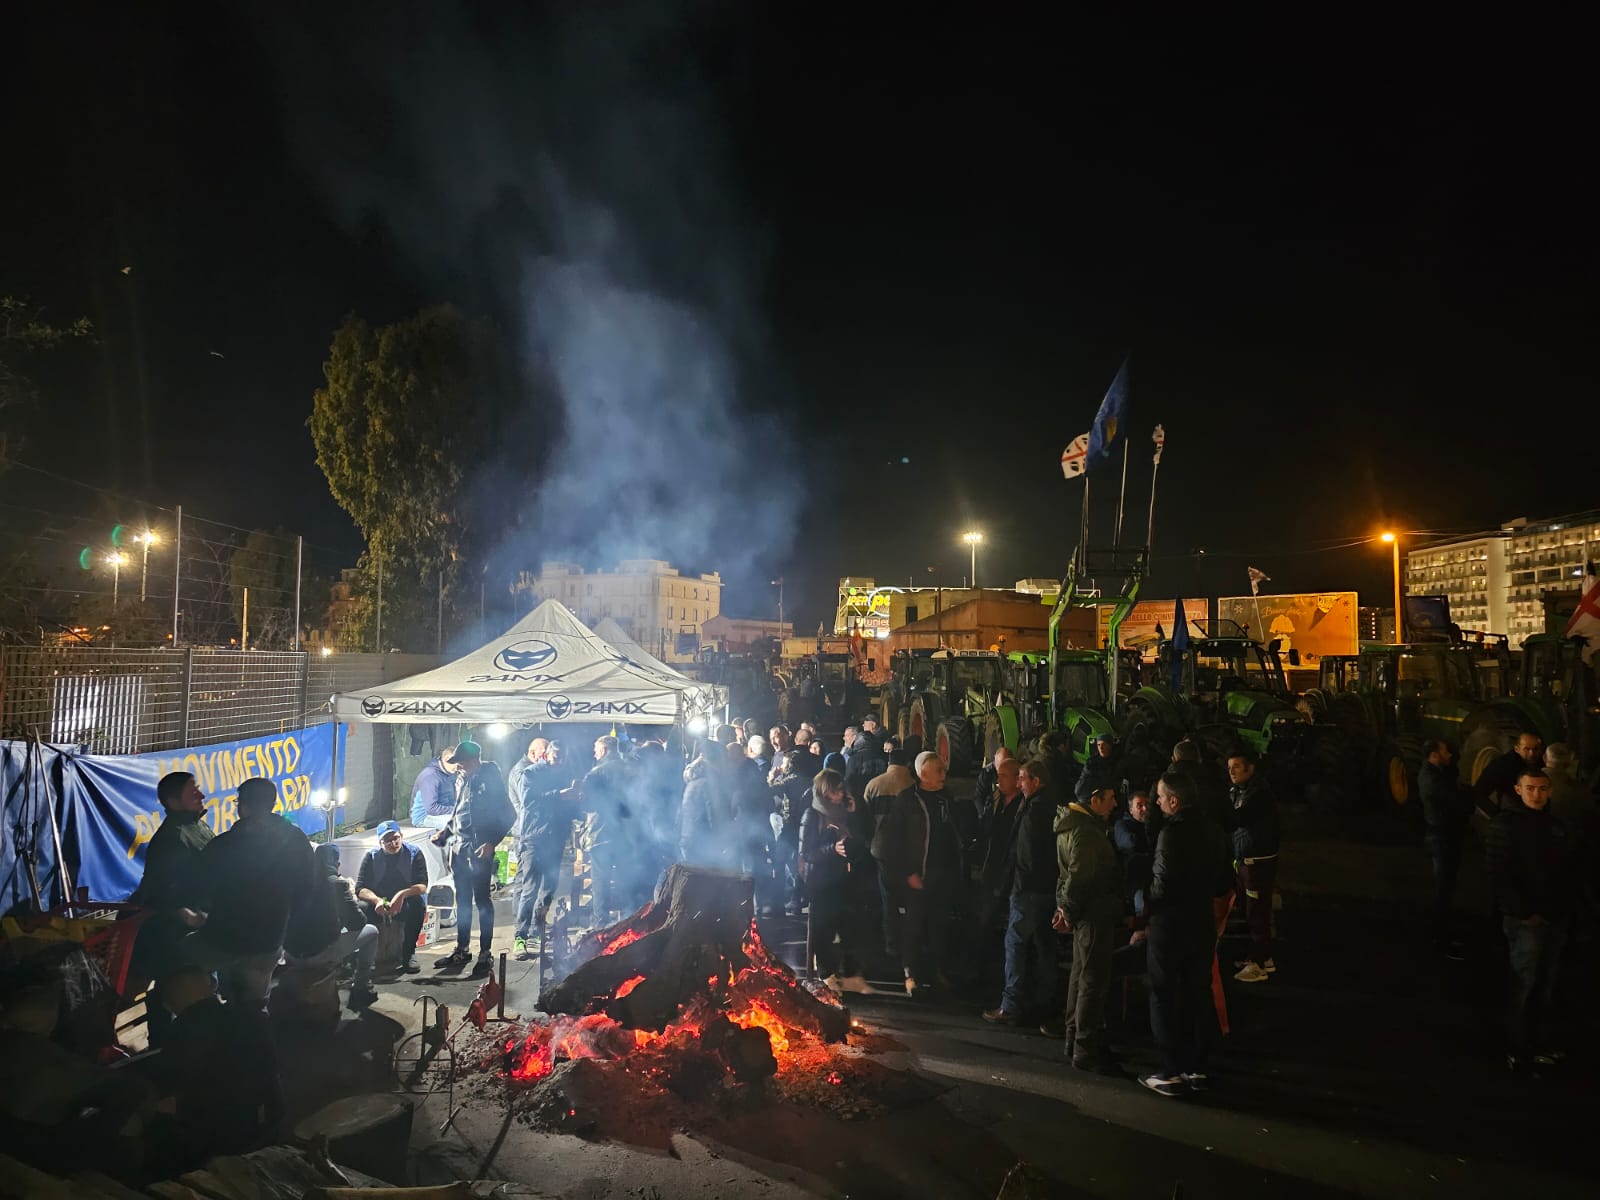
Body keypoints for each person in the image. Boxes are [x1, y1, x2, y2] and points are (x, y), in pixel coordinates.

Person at [1141, 770, 1235, 1098]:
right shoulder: (1214, 831)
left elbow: (1161, 885)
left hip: (1170, 925)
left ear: (1174, 801)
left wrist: (1144, 906)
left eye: (1160, 797)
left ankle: (1170, 1070)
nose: (1157, 802)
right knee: (1199, 992)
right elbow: (1224, 881)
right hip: (1201, 922)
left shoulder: (1171, 834)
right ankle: (1198, 1067)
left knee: (1163, 993)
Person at [186, 777, 319, 1008]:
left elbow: (199, 887)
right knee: (255, 1003)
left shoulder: (225, 844)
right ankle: (251, 1025)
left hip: (223, 938)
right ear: (273, 804)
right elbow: (307, 888)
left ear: (243, 806)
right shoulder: (296, 840)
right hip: (269, 939)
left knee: (176, 965)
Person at [1484, 766, 1578, 1073]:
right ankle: (1517, 1047)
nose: (1537, 794)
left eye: (1542, 789)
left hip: (1554, 918)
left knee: (1545, 985)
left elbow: (1567, 871)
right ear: (1518, 790)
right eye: (1530, 788)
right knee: (1523, 984)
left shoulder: (1556, 826)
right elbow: (1498, 874)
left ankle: (1538, 1044)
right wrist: (1525, 913)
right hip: (1526, 922)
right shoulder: (1505, 825)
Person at [128, 771, 213, 1045]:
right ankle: (164, 1046)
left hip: (200, 924)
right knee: (172, 987)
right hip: (173, 933)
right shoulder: (171, 839)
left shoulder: (197, 827)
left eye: (198, 790)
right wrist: (183, 913)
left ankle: (196, 1041)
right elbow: (158, 888)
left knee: (196, 985)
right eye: (193, 792)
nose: (201, 795)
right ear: (173, 802)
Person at [872, 751, 960, 997]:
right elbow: (893, 841)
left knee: (938, 926)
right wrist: (908, 873)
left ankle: (937, 971)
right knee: (913, 927)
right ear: (923, 774)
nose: (944, 774)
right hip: (917, 876)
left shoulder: (945, 798)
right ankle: (910, 975)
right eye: (938, 770)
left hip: (941, 875)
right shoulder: (907, 800)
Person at [1053, 781, 1123, 1070]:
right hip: (1094, 913)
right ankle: (1085, 1047)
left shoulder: (1072, 825)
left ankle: (1073, 1039)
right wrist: (1067, 910)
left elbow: (1067, 875)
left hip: (1084, 912)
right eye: (1111, 797)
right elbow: (1079, 875)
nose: (1115, 804)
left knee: (1079, 975)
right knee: (1092, 980)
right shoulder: (1086, 831)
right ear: (1095, 799)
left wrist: (1064, 908)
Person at [984, 758, 1059, 1027]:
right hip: (1048, 889)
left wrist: (1015, 887)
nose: (1018, 783)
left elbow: (1025, 856)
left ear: (1036, 782)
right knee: (1045, 946)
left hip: (1028, 891)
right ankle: (1046, 1003)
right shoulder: (1051, 807)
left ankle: (1011, 1005)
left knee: (1015, 944)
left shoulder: (1033, 812)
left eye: (1022, 778)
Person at [433, 742, 515, 976]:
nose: (458, 766)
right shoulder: (463, 779)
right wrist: (446, 833)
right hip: (459, 849)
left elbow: (509, 814)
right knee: (463, 901)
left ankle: (485, 953)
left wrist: (491, 842)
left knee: (482, 901)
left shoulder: (490, 780)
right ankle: (462, 949)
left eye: (462, 762)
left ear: (475, 760)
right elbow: (458, 813)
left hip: (479, 851)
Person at [800, 767, 872, 992]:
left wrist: (855, 813)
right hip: (822, 881)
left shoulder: (845, 813)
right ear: (824, 792)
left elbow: (862, 838)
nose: (840, 794)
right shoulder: (813, 815)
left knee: (850, 925)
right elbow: (806, 852)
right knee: (824, 929)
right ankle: (826, 974)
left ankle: (850, 974)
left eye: (842, 790)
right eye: (835, 791)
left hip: (845, 879)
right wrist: (832, 849)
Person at [293, 843, 381, 1010]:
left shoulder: (297, 881)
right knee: (372, 932)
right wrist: (351, 903)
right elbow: (357, 923)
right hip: (317, 953)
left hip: (290, 952)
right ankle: (361, 986)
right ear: (337, 864)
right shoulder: (337, 884)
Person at [512, 740, 578, 958]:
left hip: (555, 840)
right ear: (547, 755)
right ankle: (520, 937)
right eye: (557, 757)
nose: (560, 761)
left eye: (563, 757)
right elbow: (529, 801)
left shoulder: (564, 775)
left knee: (549, 889)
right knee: (530, 888)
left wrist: (577, 800)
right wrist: (559, 794)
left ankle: (536, 931)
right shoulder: (531, 774)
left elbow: (567, 809)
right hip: (533, 838)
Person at [1226, 750, 1280, 982]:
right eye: (1229, 767)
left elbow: (1238, 818)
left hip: (1258, 861)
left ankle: (1260, 963)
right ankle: (1261, 957)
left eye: (1237, 766)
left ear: (1251, 768)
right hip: (1245, 859)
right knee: (1250, 908)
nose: (1231, 772)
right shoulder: (1239, 791)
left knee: (1257, 910)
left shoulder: (1259, 795)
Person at [1417, 739, 1469, 954]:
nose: (1450, 755)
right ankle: (1440, 937)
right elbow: (1456, 803)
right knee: (1443, 888)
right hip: (1442, 839)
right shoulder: (1433, 780)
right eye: (1446, 752)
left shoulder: (1434, 774)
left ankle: (1442, 930)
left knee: (1445, 887)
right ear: (1434, 755)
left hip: (1442, 837)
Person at [355, 820, 427, 973]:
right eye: (387, 840)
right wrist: (377, 901)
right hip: (380, 901)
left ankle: (408, 953)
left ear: (401, 836)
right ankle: (367, 957)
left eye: (395, 838)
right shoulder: (371, 857)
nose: (393, 843)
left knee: (418, 905)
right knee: (361, 908)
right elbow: (360, 888)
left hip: (404, 900)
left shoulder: (414, 853)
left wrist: (402, 895)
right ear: (380, 843)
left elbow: (422, 885)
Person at [582, 735, 633, 921]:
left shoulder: (596, 773)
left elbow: (586, 804)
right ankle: (628, 922)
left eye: (596, 750)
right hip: (626, 836)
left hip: (600, 835)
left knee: (600, 883)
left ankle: (601, 925)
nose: (594, 754)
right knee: (626, 882)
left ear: (603, 750)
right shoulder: (630, 770)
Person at [1474, 732, 1543, 814]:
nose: (1532, 753)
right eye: (1526, 749)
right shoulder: (1502, 765)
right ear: (1517, 749)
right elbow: (1478, 794)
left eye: (1536, 749)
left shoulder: (1542, 761)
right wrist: (1498, 816)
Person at [1113, 789, 1155, 917]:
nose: (1145, 809)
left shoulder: (1153, 825)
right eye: (1139, 805)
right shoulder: (1122, 826)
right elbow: (1131, 843)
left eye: (1147, 805)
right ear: (1131, 810)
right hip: (1136, 884)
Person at [410, 746, 458, 829]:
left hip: (442, 813)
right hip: (423, 817)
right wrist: (455, 809)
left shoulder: (448, 773)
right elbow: (431, 809)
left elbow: (451, 800)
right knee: (459, 824)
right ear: (447, 759)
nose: (457, 768)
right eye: (456, 764)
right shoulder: (430, 776)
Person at [1074, 734, 1121, 803]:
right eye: (1098, 745)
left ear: (1110, 745)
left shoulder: (1119, 760)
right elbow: (1084, 780)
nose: (1101, 747)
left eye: (1104, 744)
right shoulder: (1092, 762)